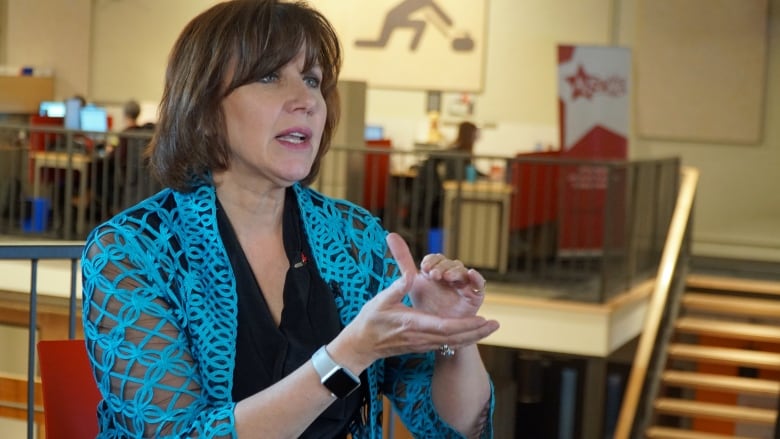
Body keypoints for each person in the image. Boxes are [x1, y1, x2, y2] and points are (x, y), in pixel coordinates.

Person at [80, 1, 500, 438]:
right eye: (269, 76)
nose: (306, 101)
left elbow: (453, 429)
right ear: (203, 111)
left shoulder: (354, 237)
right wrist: (346, 356)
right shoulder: (131, 251)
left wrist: (453, 337)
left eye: (312, 80)